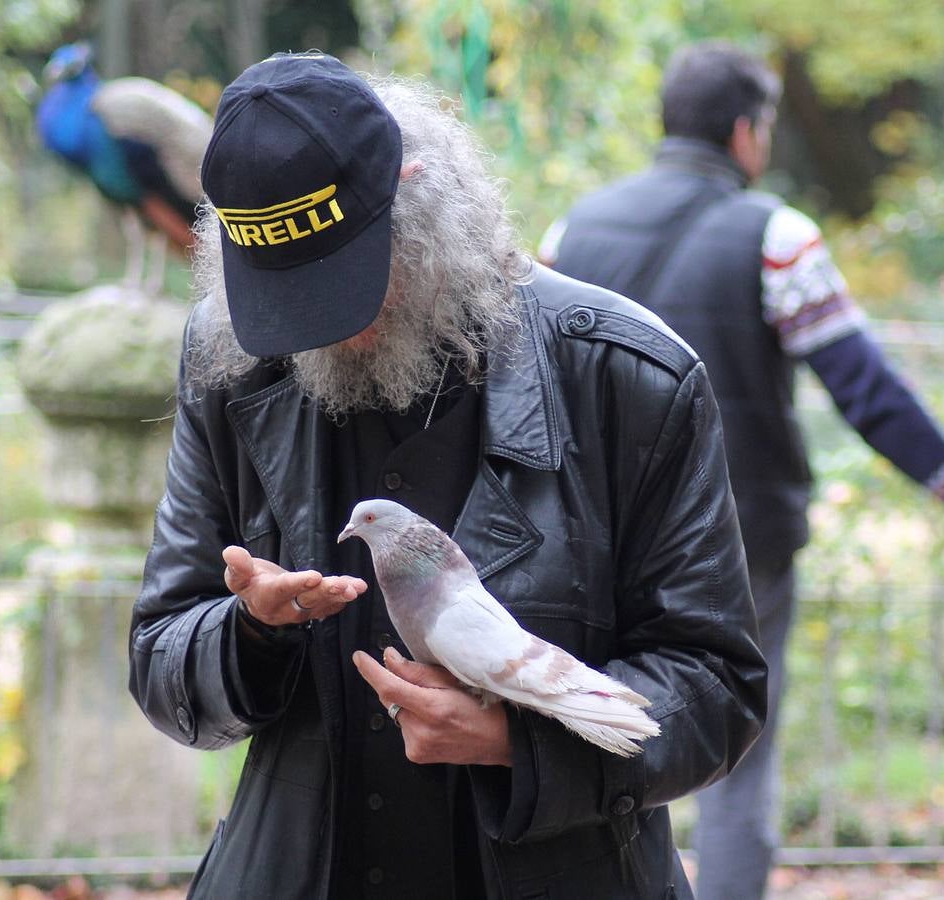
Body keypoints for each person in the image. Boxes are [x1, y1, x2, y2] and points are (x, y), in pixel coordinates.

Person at [127, 51, 768, 899]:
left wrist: (519, 740)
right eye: (290, 297)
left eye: (347, 283)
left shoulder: (627, 375)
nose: (327, 329)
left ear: (420, 195)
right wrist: (248, 630)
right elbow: (161, 656)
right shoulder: (236, 358)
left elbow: (718, 687)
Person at [541, 41, 944, 900]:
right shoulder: (776, 236)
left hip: (592, 542)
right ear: (746, 133)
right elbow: (867, 391)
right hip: (738, 545)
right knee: (735, 760)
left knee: (588, 736)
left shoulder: (570, 233)